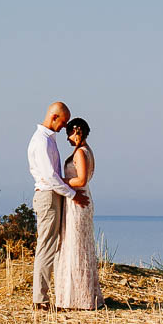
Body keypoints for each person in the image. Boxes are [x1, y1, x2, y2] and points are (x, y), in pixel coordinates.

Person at [26, 101, 87, 310]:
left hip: (53, 196)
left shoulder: (48, 140)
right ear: (54, 117)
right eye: (63, 122)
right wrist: (72, 195)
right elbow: (50, 177)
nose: (64, 127)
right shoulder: (42, 141)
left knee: (53, 245)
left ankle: (53, 295)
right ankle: (40, 300)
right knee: (47, 246)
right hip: (48, 197)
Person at [54, 117, 101, 310]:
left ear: (77, 131)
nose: (67, 139)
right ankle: (80, 295)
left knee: (76, 246)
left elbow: (81, 179)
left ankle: (77, 297)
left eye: (69, 134)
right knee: (79, 245)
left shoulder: (81, 152)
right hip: (79, 199)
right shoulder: (87, 151)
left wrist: (60, 180)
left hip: (78, 200)